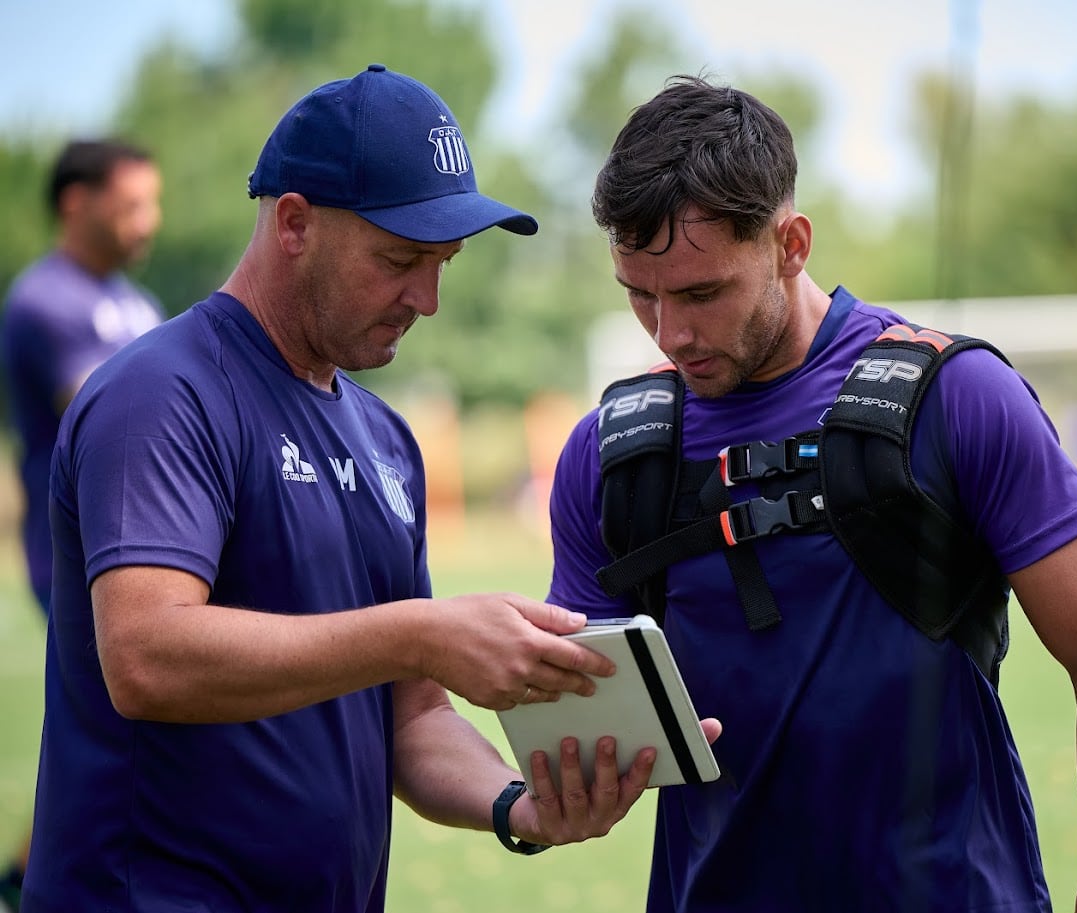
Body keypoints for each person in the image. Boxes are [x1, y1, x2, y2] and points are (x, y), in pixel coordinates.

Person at [21, 65, 700, 912]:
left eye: (443, 262)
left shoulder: (383, 439)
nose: (429, 298)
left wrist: (515, 805)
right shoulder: (164, 390)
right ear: (296, 222)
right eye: (399, 260)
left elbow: (412, 720)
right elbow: (146, 656)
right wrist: (419, 632)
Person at [546, 75, 1077, 912]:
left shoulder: (960, 395)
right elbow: (577, 732)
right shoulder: (608, 455)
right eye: (640, 296)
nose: (671, 332)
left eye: (701, 293)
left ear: (790, 242)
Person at [0, 137, 165, 908]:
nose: (149, 222)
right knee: (120, 723)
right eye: (132, 204)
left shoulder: (138, 303)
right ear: (76, 202)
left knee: (116, 731)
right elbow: (112, 412)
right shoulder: (43, 302)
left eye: (152, 204)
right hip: (74, 554)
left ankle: (26, 867)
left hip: (151, 541)